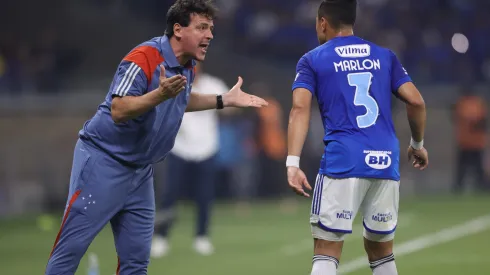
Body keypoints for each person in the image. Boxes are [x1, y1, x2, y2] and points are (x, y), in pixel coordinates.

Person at [44, 1, 268, 274]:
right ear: (178, 29)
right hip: (103, 164)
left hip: (140, 173)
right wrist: (158, 95)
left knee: (137, 263)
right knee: (70, 253)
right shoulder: (143, 58)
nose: (209, 35)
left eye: (211, 28)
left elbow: (178, 99)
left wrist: (224, 100)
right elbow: (119, 109)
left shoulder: (188, 64)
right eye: (202, 27)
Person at [285, 1, 428, 275]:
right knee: (382, 252)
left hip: (344, 160)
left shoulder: (313, 59)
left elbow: (300, 108)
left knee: (327, 249)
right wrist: (417, 144)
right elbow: (417, 101)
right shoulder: (385, 56)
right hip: (385, 160)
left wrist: (293, 162)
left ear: (322, 22)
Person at [151, 62, 228, 257]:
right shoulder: (174, 86)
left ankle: (202, 237)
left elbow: (229, 106)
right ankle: (161, 237)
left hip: (206, 148)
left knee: (204, 195)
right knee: (169, 194)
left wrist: (227, 103)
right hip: (180, 148)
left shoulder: (213, 85)